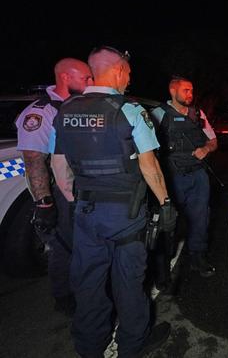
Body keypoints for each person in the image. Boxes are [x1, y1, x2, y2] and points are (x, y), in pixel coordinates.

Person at [50, 46, 176, 358]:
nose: (129, 81)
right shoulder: (130, 111)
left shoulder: (66, 111)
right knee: (129, 283)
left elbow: (58, 166)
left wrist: (76, 199)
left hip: (86, 212)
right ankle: (134, 344)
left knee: (88, 282)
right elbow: (150, 167)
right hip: (126, 215)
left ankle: (89, 346)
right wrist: (166, 203)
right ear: (118, 71)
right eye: (129, 74)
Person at [15, 58, 93, 316]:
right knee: (63, 246)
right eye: (85, 78)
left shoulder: (76, 106)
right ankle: (64, 296)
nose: (91, 83)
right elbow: (34, 160)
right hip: (58, 193)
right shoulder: (42, 113)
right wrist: (44, 203)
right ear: (65, 78)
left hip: (80, 187)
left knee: (81, 243)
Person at [151, 76, 218, 280]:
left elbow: (213, 140)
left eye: (191, 90)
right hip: (172, 177)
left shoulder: (197, 113)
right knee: (167, 221)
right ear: (173, 91)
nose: (190, 94)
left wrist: (206, 149)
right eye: (186, 90)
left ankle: (197, 257)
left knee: (200, 219)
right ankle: (162, 266)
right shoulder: (158, 114)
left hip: (198, 175)